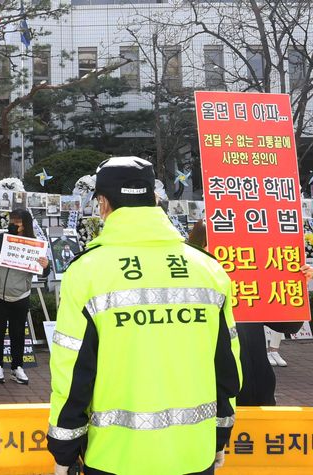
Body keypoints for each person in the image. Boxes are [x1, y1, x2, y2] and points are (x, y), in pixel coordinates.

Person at [47, 157, 241, 475]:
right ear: (153, 199)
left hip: (114, 456)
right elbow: (227, 366)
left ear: (103, 203)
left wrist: (64, 452)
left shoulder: (88, 271)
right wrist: (220, 438)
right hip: (193, 452)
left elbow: (72, 372)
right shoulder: (207, 268)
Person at [188, 219, 312, 405]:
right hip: (218, 397)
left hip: (260, 392)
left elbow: (289, 325)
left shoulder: (249, 284)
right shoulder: (189, 288)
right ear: (200, 249)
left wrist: (295, 283)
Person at [0, 208, 50, 385]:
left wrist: (45, 265)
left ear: (26, 224)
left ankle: (17, 367)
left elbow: (43, 271)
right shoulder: (1, 238)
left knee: (17, 333)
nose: (13, 224)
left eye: (18, 222)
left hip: (21, 295)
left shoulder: (34, 244)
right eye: (12, 220)